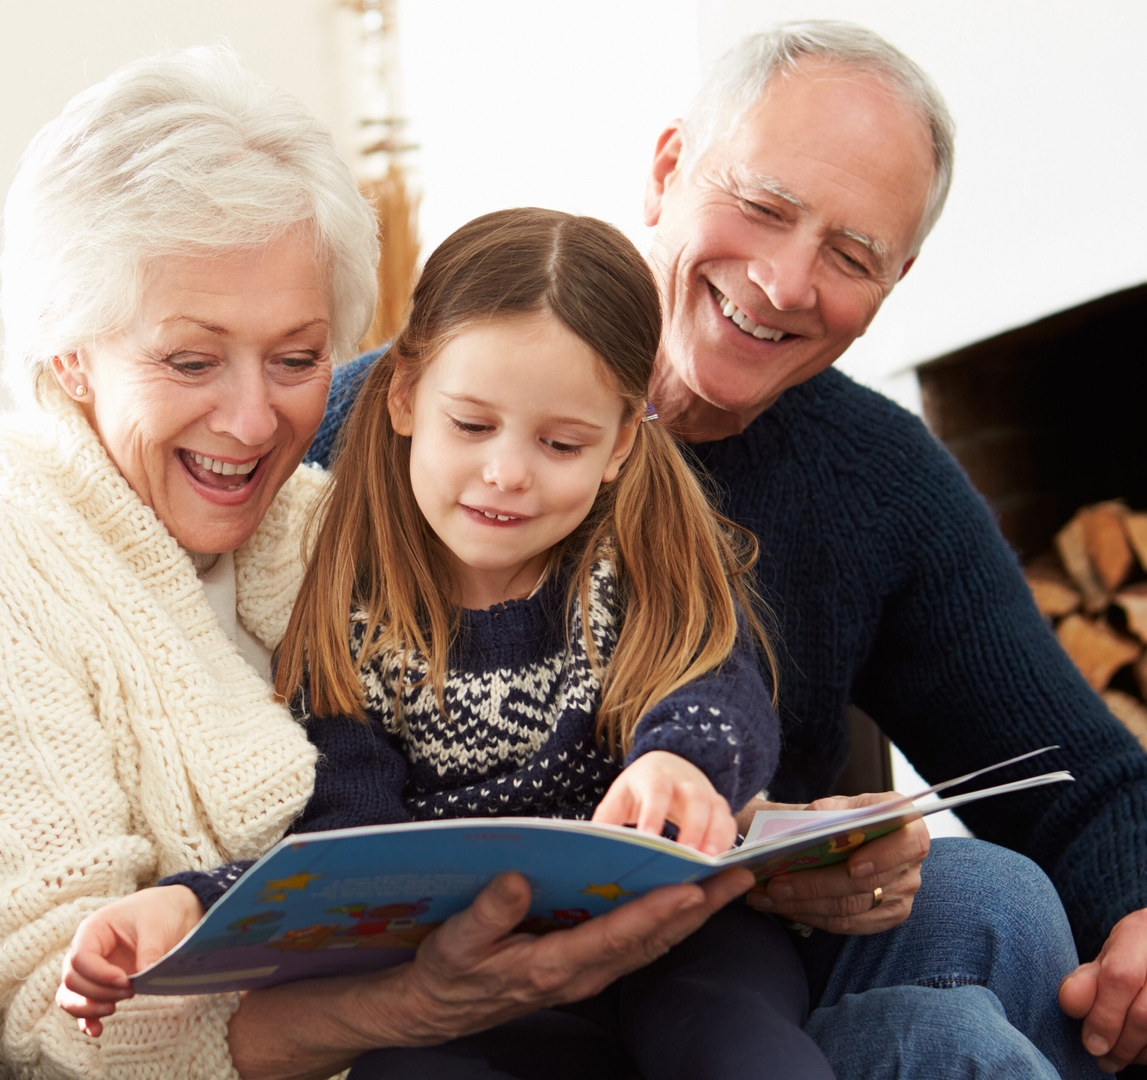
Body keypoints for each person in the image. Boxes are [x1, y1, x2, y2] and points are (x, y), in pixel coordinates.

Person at [0, 20, 1147, 1079]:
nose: (784, 282)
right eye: (761, 206)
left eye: (852, 254)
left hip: (711, 935)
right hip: (462, 983)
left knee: (1090, 963)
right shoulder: (366, 443)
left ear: (898, 282)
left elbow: (1086, 776)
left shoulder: (874, 478)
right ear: (663, 172)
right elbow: (75, 501)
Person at [0, 49, 758, 1080]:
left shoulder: (328, 525)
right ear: (67, 351)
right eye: (190, 360)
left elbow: (625, 656)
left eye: (299, 359)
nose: (257, 420)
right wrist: (402, 1008)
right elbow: (52, 1024)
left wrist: (760, 816)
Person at [60, 207, 830, 1080]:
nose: (507, 471)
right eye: (471, 426)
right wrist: (188, 907)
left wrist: (681, 765)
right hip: (476, 983)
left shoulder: (633, 563)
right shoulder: (351, 614)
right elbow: (344, 842)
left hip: (680, 945)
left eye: (561, 443)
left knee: (733, 1038)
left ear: (619, 443)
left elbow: (716, 695)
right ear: (402, 399)